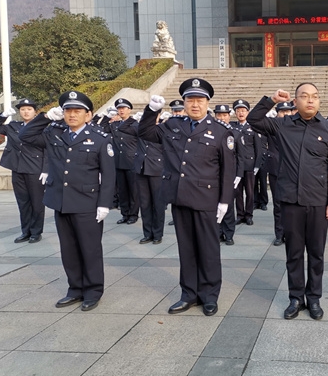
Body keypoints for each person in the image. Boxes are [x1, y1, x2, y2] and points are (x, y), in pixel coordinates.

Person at [138, 78, 235, 316]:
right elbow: (145, 132)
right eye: (190, 100)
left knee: (208, 250)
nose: (195, 105)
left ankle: (209, 296)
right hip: (180, 197)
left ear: (207, 103)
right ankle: (189, 294)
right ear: (183, 103)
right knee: (186, 249)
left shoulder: (220, 131)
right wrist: (152, 110)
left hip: (206, 199)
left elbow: (227, 169)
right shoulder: (173, 125)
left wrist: (224, 201)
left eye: (200, 100)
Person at [248, 83, 328, 320]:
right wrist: (272, 100)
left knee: (317, 253)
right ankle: (296, 298)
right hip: (290, 201)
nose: (310, 100)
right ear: (295, 101)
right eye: (304, 96)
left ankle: (314, 298)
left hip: (318, 202)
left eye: (315, 96)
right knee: (294, 253)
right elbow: (253, 119)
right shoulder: (283, 125)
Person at [19, 91, 116, 311]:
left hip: (87, 203)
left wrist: (104, 204)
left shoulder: (100, 138)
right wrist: (45, 117)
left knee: (90, 250)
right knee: (68, 250)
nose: (72, 115)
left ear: (88, 115)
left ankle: (93, 291)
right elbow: (25, 135)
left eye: (77, 111)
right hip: (61, 202)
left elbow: (109, 175)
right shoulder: (55, 133)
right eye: (68, 111)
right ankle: (75, 289)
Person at [0, 98, 46, 243]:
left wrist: (46, 169)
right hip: (17, 168)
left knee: (37, 202)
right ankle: (26, 231)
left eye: (29, 109)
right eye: (22, 109)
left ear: (35, 112)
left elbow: (48, 148)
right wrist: (3, 115)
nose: (26, 112)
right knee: (23, 202)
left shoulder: (42, 127)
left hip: (35, 169)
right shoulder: (13, 126)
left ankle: (36, 232)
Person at [99, 98, 139, 224]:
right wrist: (107, 117)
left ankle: (133, 214)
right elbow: (102, 129)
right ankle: (125, 213)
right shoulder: (114, 124)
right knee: (122, 190)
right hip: (119, 162)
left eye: (123, 108)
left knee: (133, 190)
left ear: (129, 110)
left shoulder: (134, 124)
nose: (121, 111)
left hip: (131, 161)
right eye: (119, 109)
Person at [213, 104, 243, 245]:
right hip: (214, 174)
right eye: (219, 115)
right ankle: (218, 232)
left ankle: (229, 233)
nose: (222, 118)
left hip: (229, 174)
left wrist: (239, 174)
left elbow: (240, 156)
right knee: (214, 205)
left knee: (228, 205)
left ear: (229, 116)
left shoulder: (235, 132)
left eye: (224, 115)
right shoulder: (211, 132)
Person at [133, 113, 166, 245]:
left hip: (157, 169)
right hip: (141, 168)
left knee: (158, 204)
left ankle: (157, 233)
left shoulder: (163, 129)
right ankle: (147, 233)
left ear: (158, 117)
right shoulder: (140, 128)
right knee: (144, 204)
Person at [264, 101, 294, 246]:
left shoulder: (296, 127)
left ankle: (290, 234)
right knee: (277, 205)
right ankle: (279, 234)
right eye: (282, 111)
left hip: (291, 170)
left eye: (288, 111)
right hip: (275, 169)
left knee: (291, 205)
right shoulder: (272, 126)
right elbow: (257, 121)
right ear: (277, 113)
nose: (285, 114)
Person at [231, 99, 260, 225]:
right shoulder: (232, 127)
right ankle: (240, 214)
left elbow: (258, 148)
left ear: (248, 112)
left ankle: (249, 215)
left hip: (249, 165)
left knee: (249, 192)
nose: (241, 113)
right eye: (238, 111)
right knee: (237, 192)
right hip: (237, 165)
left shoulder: (253, 128)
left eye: (243, 110)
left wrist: (257, 165)